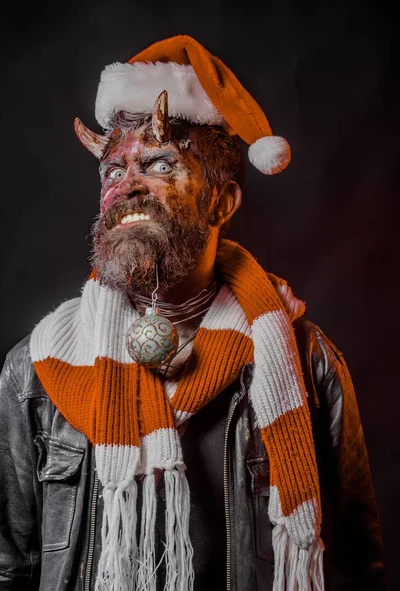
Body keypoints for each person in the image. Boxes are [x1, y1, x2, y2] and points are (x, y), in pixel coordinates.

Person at [0, 35, 387, 591]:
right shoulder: (34, 371)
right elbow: (9, 566)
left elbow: (357, 566)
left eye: (158, 163)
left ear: (222, 202)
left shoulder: (306, 362)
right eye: (112, 172)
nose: (127, 185)